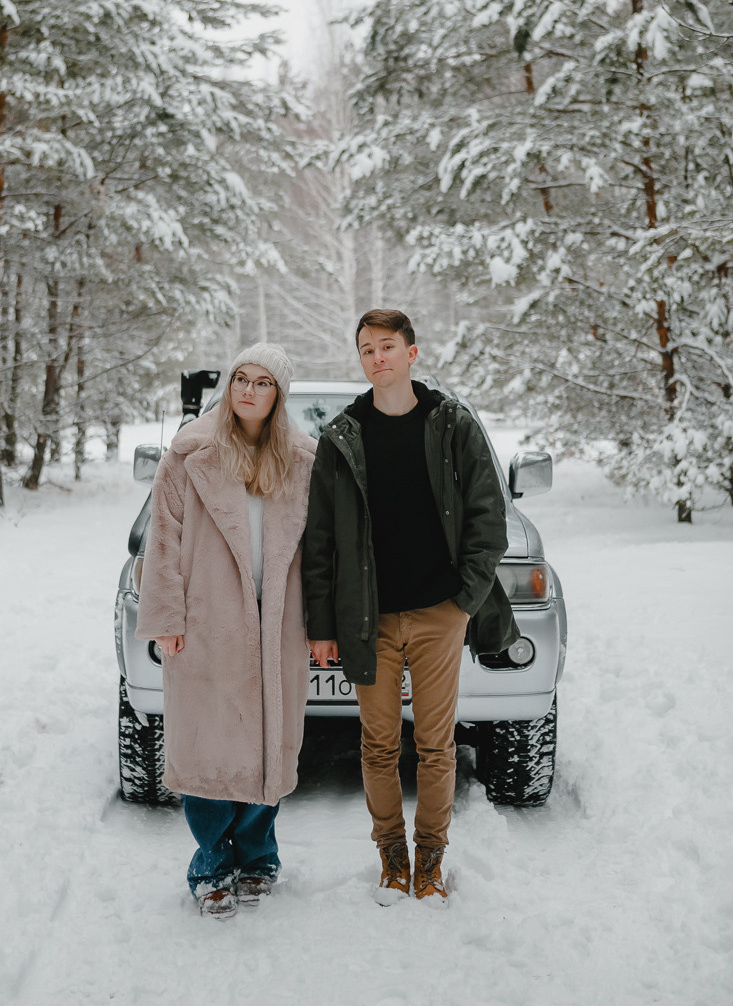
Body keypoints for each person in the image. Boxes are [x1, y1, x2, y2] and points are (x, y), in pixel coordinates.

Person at [302, 309, 519, 905]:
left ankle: (431, 857)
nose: (377, 357)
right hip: (367, 618)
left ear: (412, 353)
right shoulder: (341, 436)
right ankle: (391, 855)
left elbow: (488, 520)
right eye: (367, 349)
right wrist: (322, 625)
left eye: (388, 346)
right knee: (376, 744)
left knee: (435, 742)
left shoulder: (452, 424)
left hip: (436, 613)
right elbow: (319, 541)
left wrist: (463, 601)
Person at [135, 343, 316, 920]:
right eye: (241, 377)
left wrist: (324, 625)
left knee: (269, 744)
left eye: (263, 382)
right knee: (210, 748)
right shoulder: (190, 453)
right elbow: (161, 540)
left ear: (278, 395)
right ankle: (211, 863)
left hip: (279, 622)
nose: (247, 390)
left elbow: (320, 552)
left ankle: (259, 857)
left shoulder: (305, 461)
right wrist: (166, 619)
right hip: (206, 622)